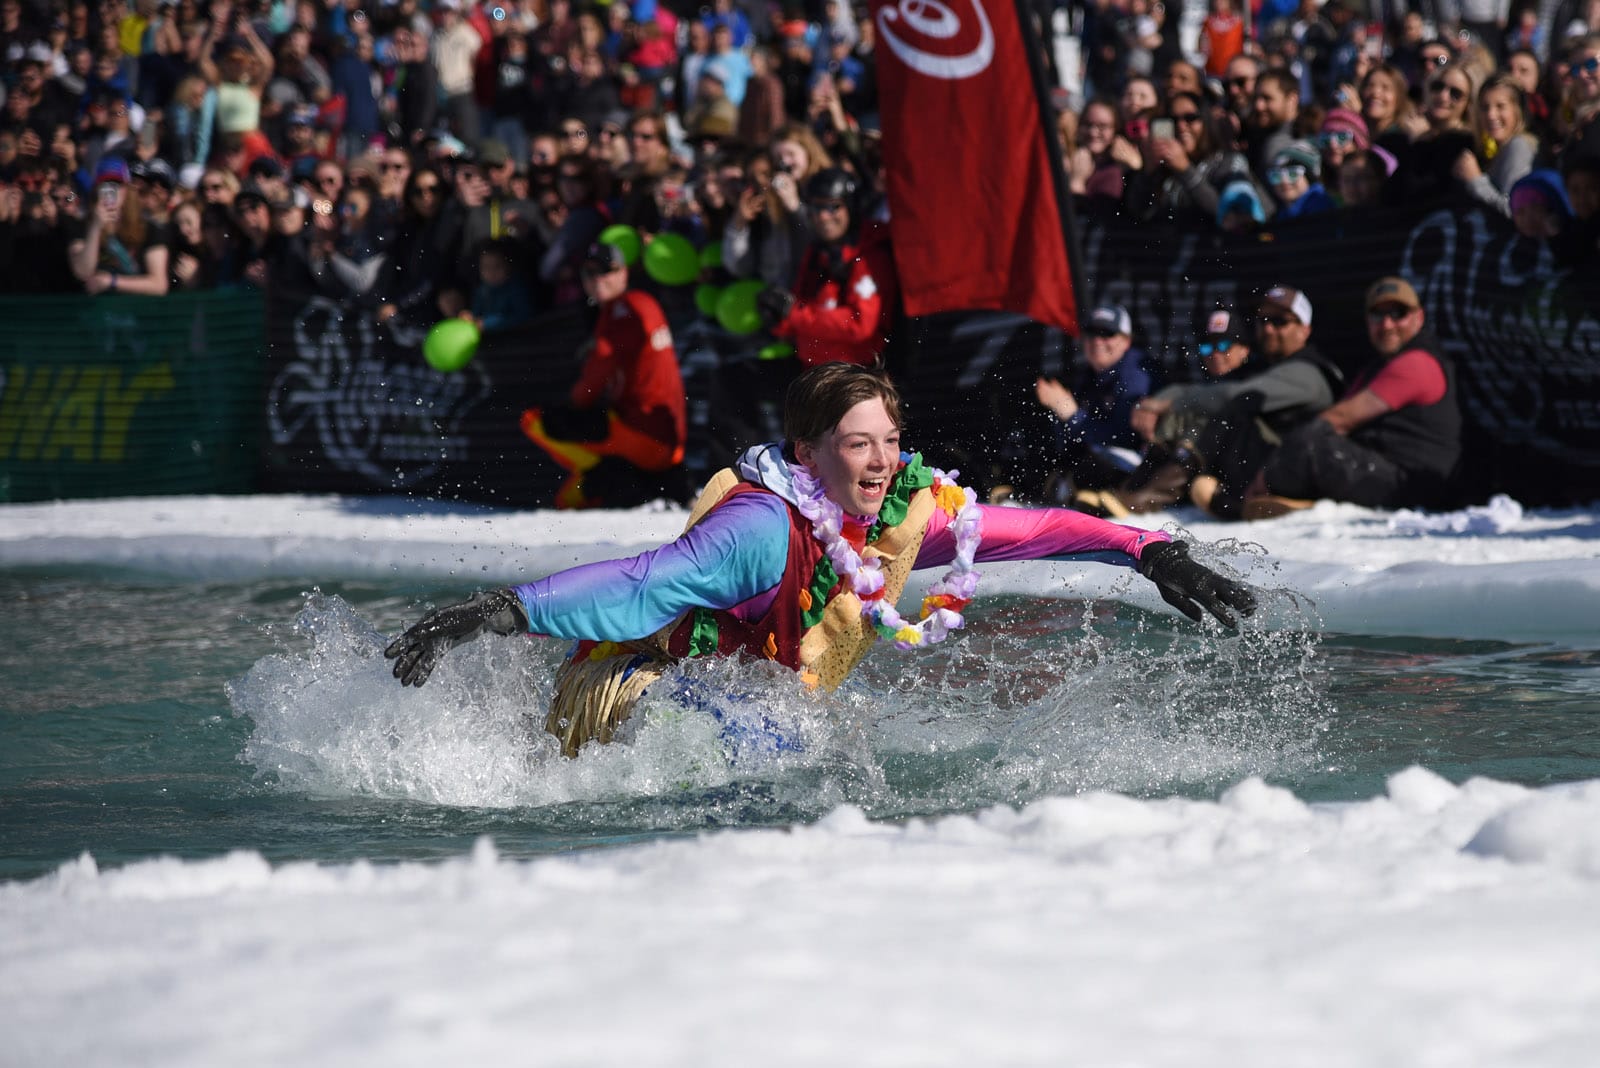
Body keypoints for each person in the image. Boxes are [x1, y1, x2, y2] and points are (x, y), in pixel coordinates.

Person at [386, 363, 1257, 757]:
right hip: (637, 692)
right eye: (855, 445)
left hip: (743, 705)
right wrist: (501, 611)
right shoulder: (762, 529)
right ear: (808, 454)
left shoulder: (899, 515)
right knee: (780, 756)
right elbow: (642, 584)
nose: (879, 462)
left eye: (889, 441)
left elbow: (1030, 531)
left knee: (798, 744)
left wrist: (1149, 550)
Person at [1244, 276, 1460, 518]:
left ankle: (1249, 499)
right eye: (1378, 315)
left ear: (1419, 317)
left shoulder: (1416, 363)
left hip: (1410, 485)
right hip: (1382, 470)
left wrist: (1269, 472)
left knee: (1311, 444)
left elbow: (1339, 419)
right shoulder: (1376, 367)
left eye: (1398, 313)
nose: (1387, 324)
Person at [520, 241, 687, 510]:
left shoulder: (623, 309)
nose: (597, 279)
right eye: (589, 274)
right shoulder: (643, 302)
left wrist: (574, 405)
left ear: (623, 272)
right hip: (667, 442)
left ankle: (616, 476)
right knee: (568, 499)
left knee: (534, 421)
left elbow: (598, 373)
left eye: (606, 271)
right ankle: (621, 478)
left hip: (643, 435)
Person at [754, 167, 897, 368]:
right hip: (815, 368)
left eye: (832, 207)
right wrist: (779, 319)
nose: (823, 216)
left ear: (850, 206)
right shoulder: (817, 251)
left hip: (857, 373)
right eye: (815, 208)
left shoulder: (869, 255)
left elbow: (860, 324)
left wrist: (793, 314)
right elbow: (802, 306)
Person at [1027, 302, 1152, 497]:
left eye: (1107, 333)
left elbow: (1125, 438)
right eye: (1092, 333)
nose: (1097, 341)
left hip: (1138, 470)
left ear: (1126, 341)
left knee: (1093, 465)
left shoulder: (1136, 374)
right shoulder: (1089, 375)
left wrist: (1072, 415)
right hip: (1105, 459)